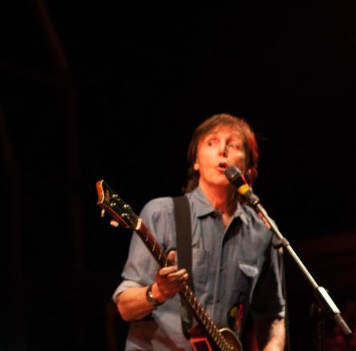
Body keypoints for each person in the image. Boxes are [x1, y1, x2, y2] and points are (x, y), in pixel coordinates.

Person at [113, 113, 286, 351]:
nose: (222, 150)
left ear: (248, 167)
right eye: (212, 142)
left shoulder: (262, 231)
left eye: (233, 144)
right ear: (196, 161)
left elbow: (273, 315)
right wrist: (157, 292)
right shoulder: (161, 213)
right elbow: (124, 307)